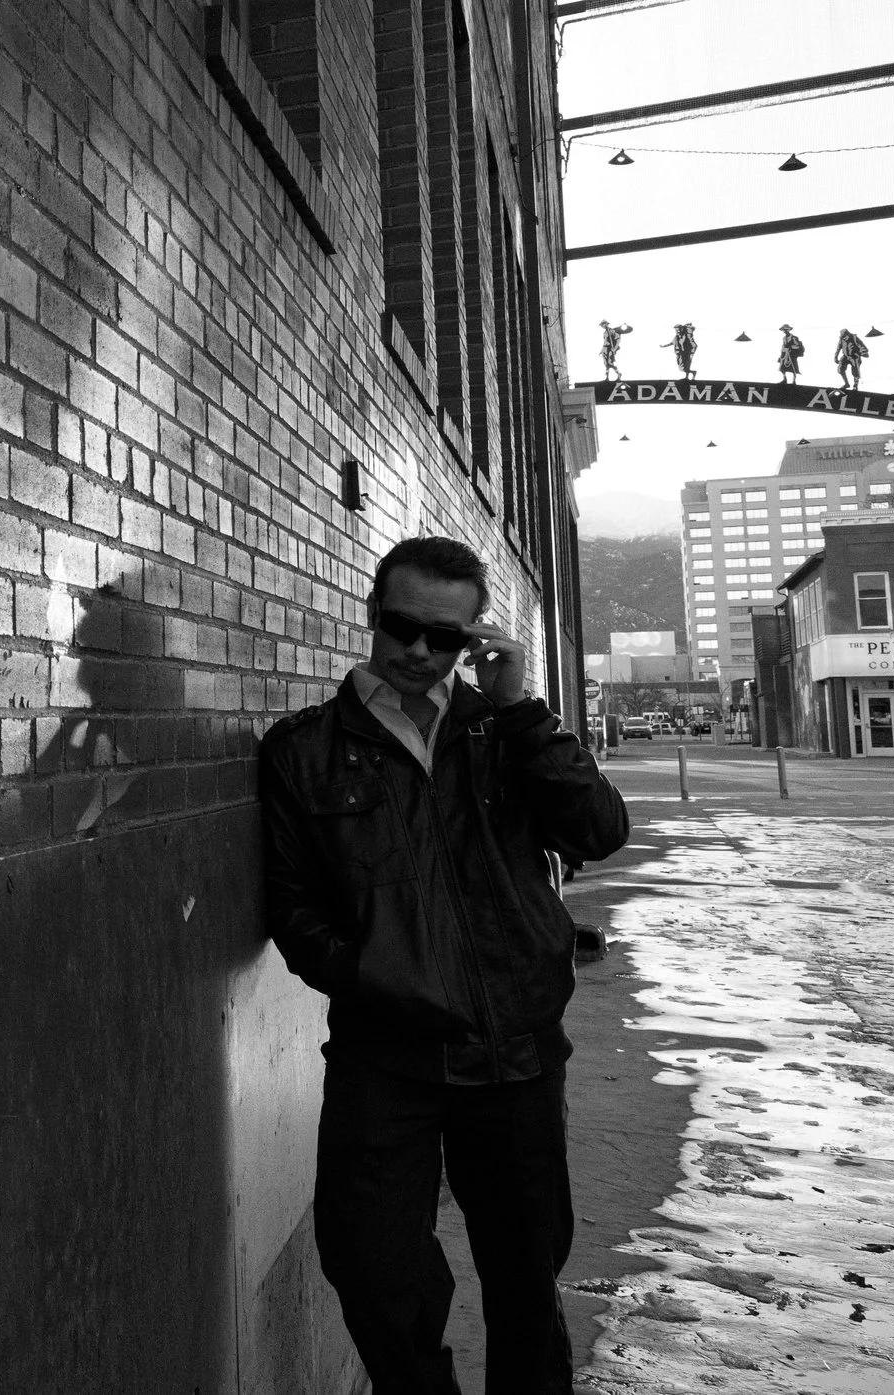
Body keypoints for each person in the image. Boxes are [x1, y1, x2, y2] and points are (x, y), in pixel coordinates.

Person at [259, 536, 629, 1394]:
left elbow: (599, 830)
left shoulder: (504, 735)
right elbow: (291, 909)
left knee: (525, 1282)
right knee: (371, 1265)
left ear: (474, 641)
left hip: (517, 1054)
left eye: (446, 638)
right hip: (385, 1056)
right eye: (402, 627)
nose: (420, 651)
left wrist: (525, 708)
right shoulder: (302, 750)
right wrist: (374, 977)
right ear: (371, 613)